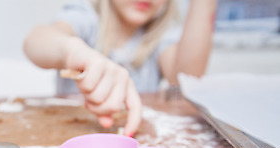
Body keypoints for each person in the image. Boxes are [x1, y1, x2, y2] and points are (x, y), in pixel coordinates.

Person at [24, 0, 217, 136]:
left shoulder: (160, 36)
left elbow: (187, 77)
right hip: (68, 137)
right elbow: (35, 42)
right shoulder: (86, 17)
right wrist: (71, 50)